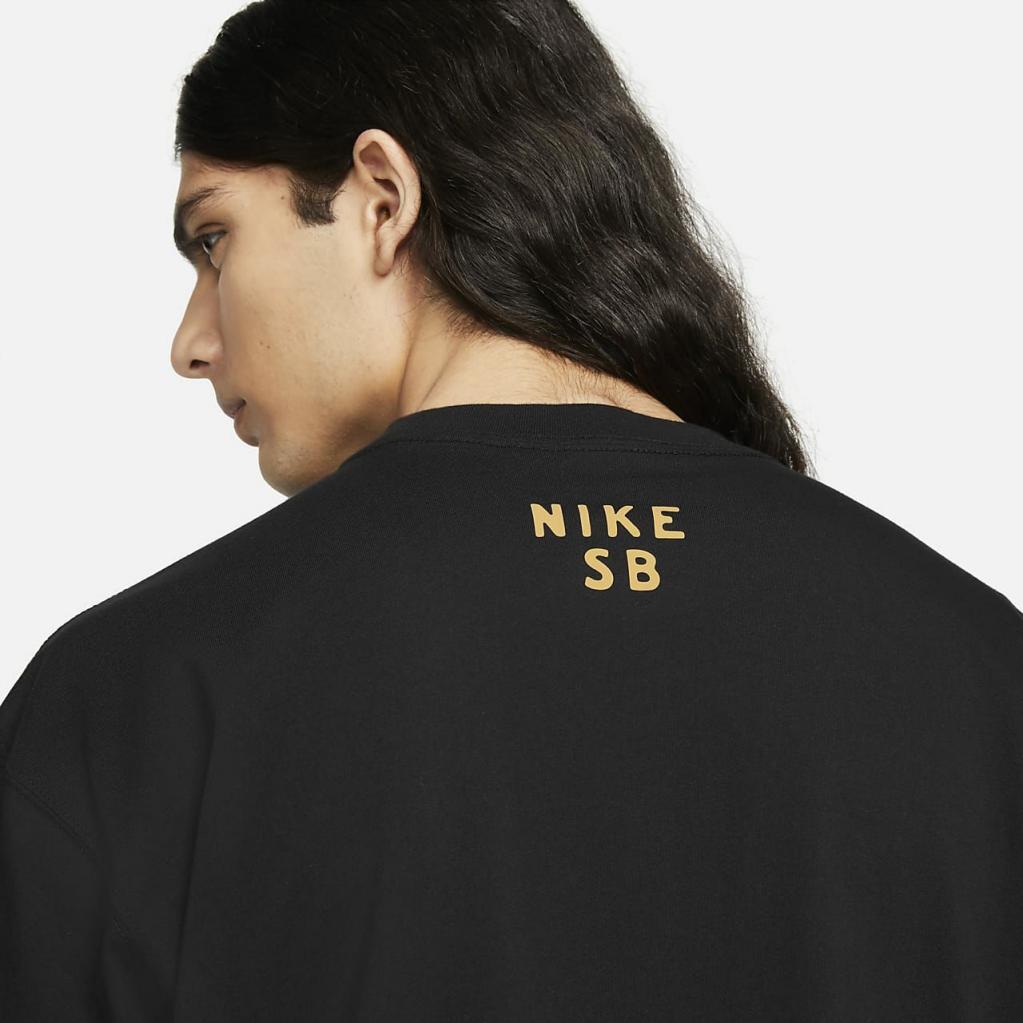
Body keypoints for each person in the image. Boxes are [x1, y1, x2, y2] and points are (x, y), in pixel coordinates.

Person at [1, 0, 1020, 1019]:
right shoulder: (980, 672)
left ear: (380, 199)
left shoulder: (134, 701)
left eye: (215, 239)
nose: (190, 343)